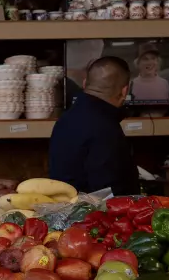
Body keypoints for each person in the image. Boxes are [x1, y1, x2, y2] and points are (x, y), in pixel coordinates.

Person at [50, 56, 140, 196]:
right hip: (93, 215)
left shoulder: (64, 120)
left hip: (63, 212)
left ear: (85, 83)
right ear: (124, 92)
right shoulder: (107, 129)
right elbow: (109, 194)